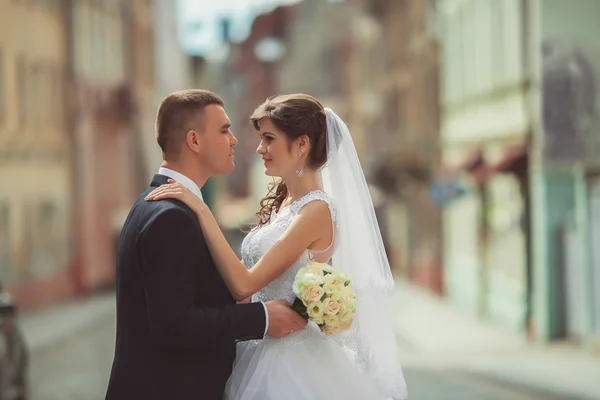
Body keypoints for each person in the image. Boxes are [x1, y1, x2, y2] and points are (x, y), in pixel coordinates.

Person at [147, 93, 408, 399]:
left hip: (289, 360)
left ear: (301, 145)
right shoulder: (285, 203)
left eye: (269, 138)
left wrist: (202, 210)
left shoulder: (316, 211)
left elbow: (244, 285)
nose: (260, 148)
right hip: (258, 346)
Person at [105, 90, 307, 400]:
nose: (235, 140)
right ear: (194, 141)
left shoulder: (154, 204)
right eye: (224, 130)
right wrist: (262, 319)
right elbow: (174, 324)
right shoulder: (170, 217)